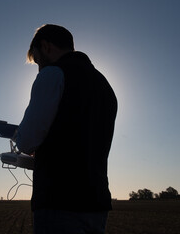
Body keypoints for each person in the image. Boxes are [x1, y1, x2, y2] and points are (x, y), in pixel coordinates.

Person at [14, 24, 117, 234]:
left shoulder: (52, 74)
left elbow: (27, 141)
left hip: (58, 202)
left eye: (37, 59)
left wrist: (19, 136)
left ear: (45, 46)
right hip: (96, 203)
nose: (39, 66)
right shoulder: (105, 85)